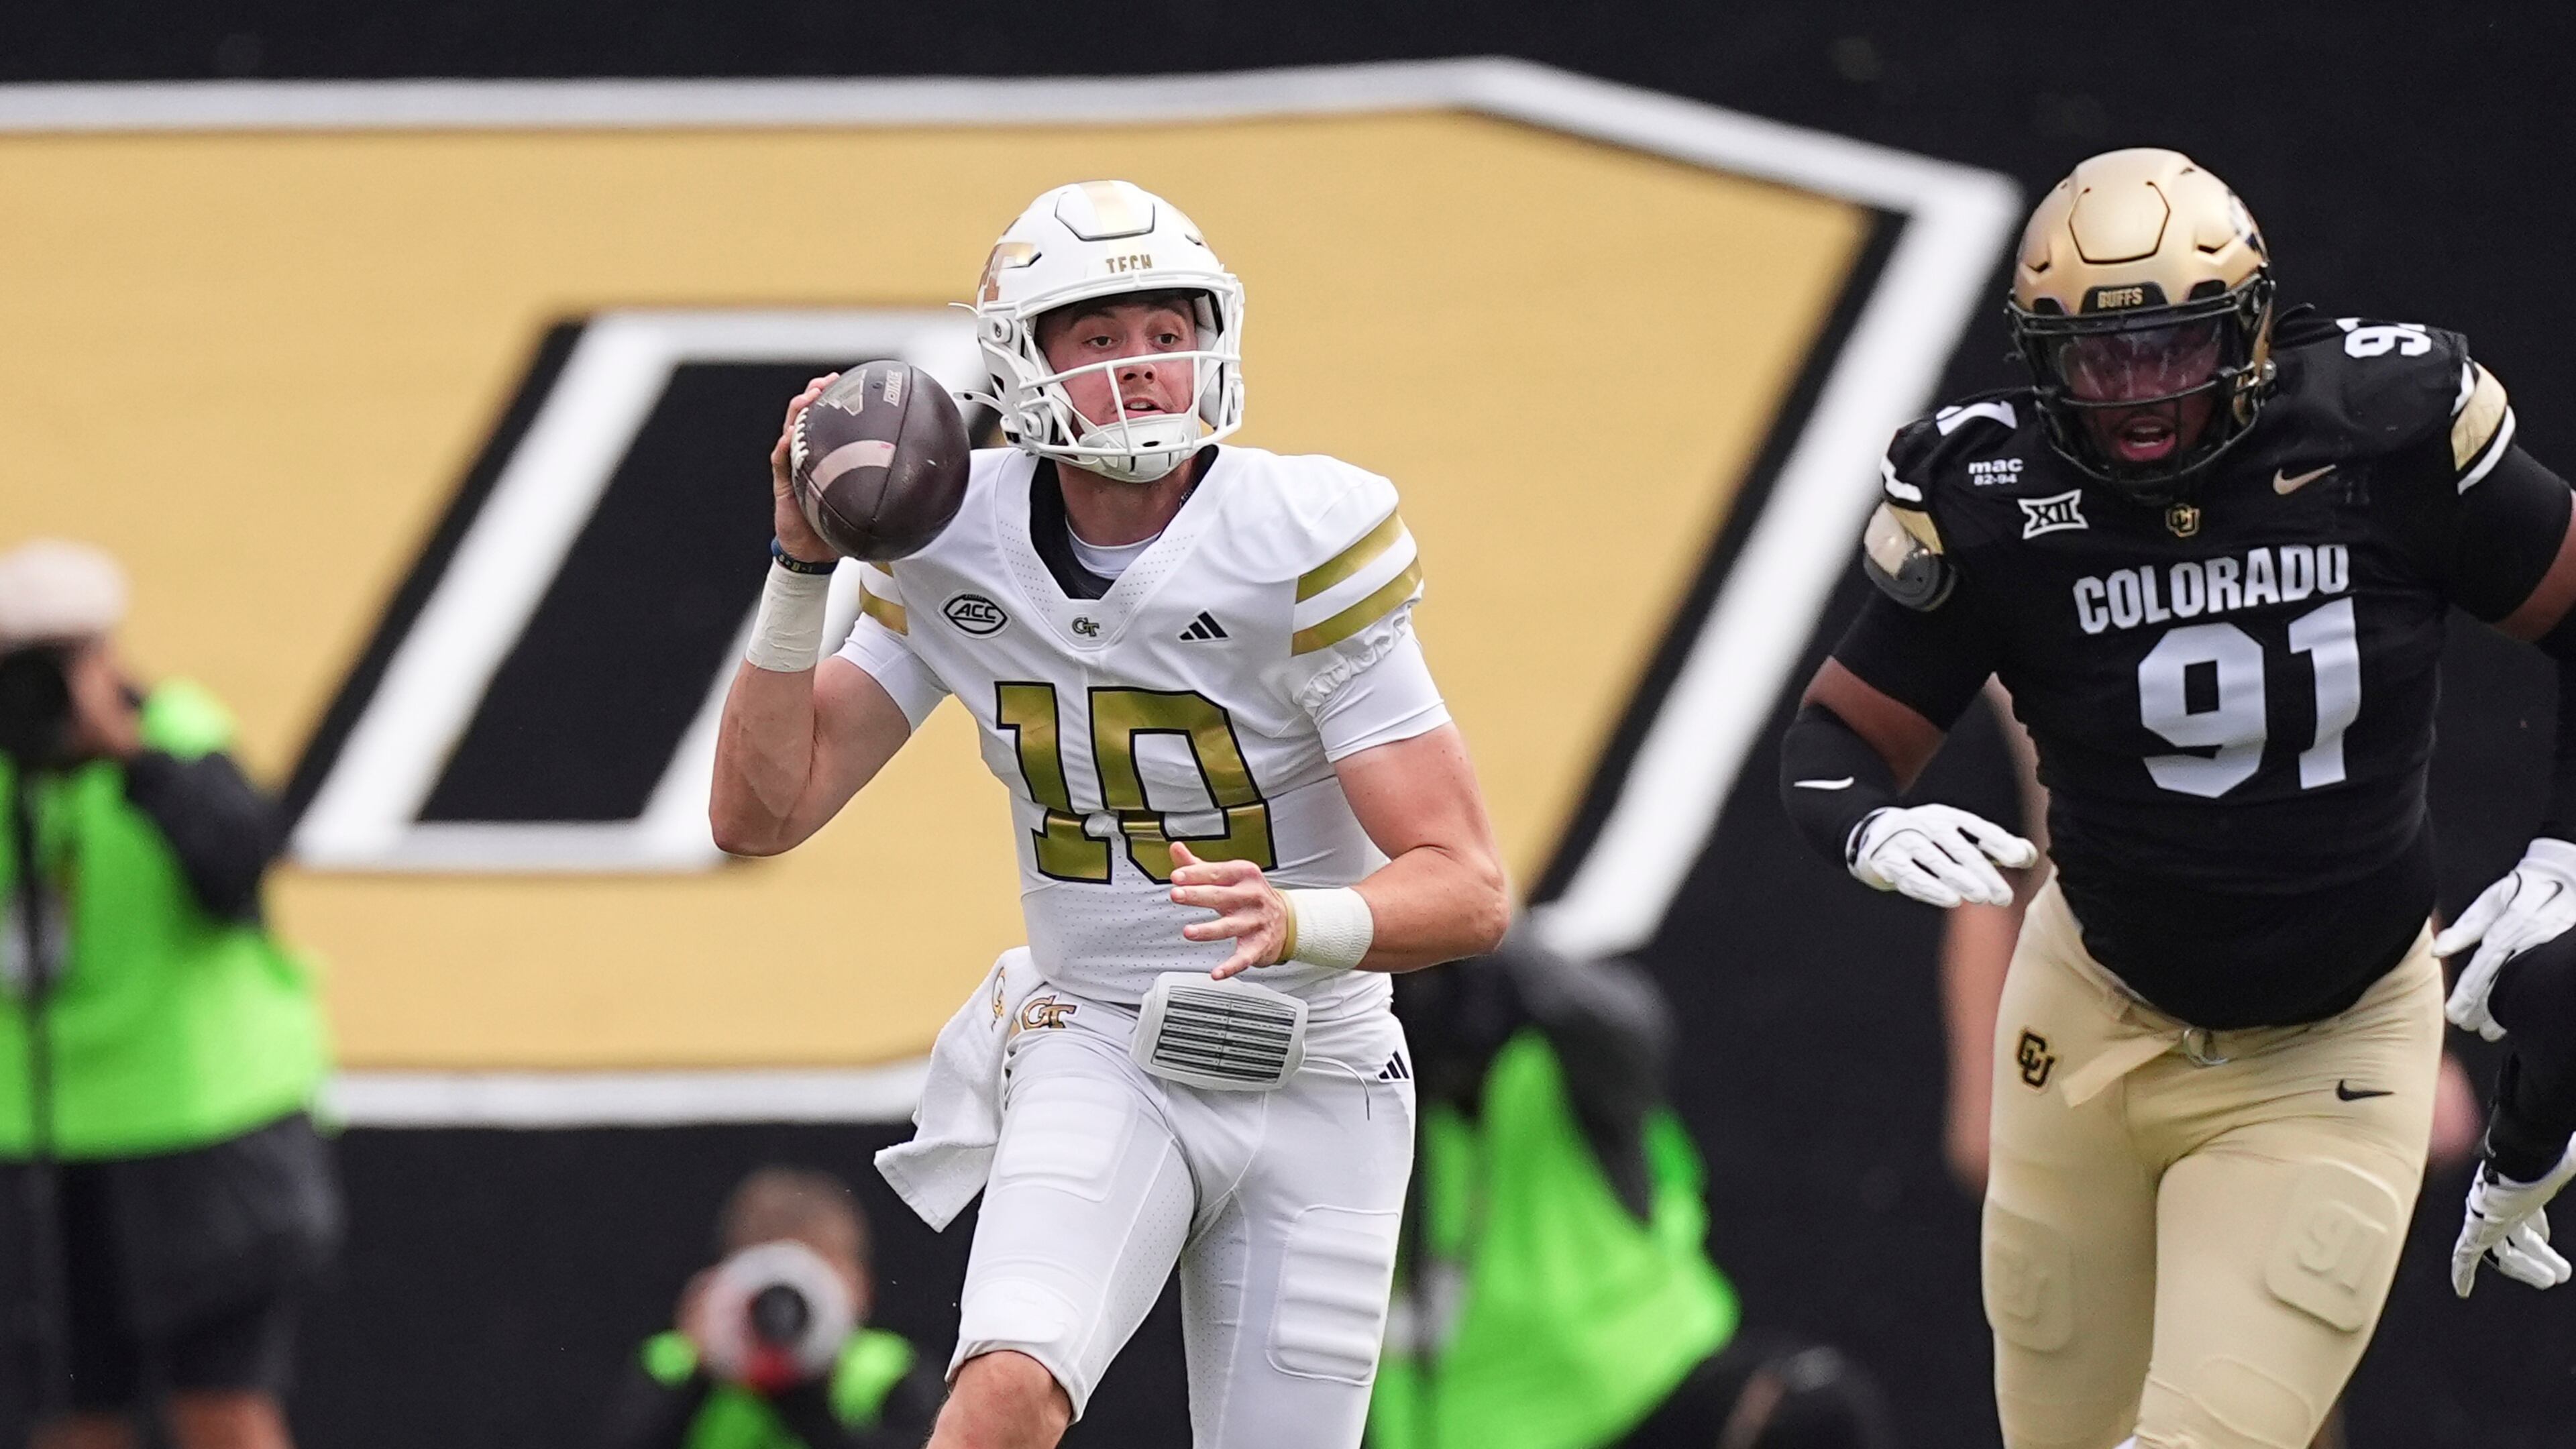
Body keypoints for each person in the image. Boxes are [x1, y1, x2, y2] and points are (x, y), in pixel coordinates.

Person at [1776, 147, 2576, 1449]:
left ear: (2250, 326)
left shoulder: (2384, 435)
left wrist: (2566, 848)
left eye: (2168, 347)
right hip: (2084, 1015)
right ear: (2039, 357)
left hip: (2331, 1046)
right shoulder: (1996, 497)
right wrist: (1866, 818)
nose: (2137, 393)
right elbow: (1835, 735)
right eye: (2098, 360)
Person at [708, 179, 1510, 1449]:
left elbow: (1467, 887)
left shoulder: (1297, 538)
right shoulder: (953, 537)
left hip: (1324, 1075)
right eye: (1100, 336)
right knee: (1001, 1400)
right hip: (1106, 1044)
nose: (1144, 366)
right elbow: (762, 812)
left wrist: (1303, 916)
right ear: (1025, 363)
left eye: (1167, 327)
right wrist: (802, 565)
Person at [0, 541, 338, 1449]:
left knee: (220, 1406)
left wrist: (133, 760)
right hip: (37, 1141)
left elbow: (237, 870)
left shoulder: (178, 735)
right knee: (66, 1414)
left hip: (205, 1130)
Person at [1375, 934, 1891, 1449]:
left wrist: (1492, 955)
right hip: (1461, 1429)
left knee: (1818, 1419)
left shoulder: (1559, 1080)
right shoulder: (1369, 1120)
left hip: (1658, 1389)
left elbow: (1624, 1022)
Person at [601, 1167, 941, 1449]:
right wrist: (704, 1373)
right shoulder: (674, 1366)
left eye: (817, 1276)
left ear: (859, 1286)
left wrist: (798, 1388)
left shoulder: (893, 1374)